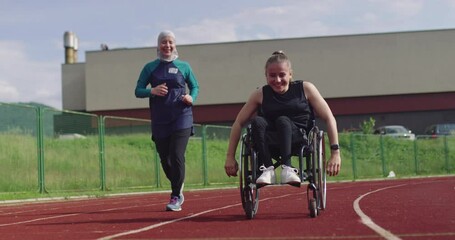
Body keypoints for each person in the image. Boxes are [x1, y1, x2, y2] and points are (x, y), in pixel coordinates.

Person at [224, 51, 341, 185]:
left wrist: (335, 153)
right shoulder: (259, 94)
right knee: (257, 121)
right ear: (266, 76)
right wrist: (230, 157)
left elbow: (329, 117)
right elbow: (238, 123)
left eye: (282, 75)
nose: (277, 80)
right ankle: (268, 170)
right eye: (272, 76)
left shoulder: (306, 88)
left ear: (290, 74)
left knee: (283, 121)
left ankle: (288, 169)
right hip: (270, 142)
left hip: (298, 138)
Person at [135, 30, 199, 211]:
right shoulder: (150, 68)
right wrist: (152, 91)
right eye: (164, 42)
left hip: (182, 117)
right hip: (160, 120)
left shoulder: (184, 66)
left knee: (177, 155)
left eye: (170, 42)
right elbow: (138, 90)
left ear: (175, 45)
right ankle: (178, 184)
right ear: (158, 45)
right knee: (165, 159)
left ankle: (175, 195)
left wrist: (191, 97)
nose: (167, 45)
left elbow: (195, 86)